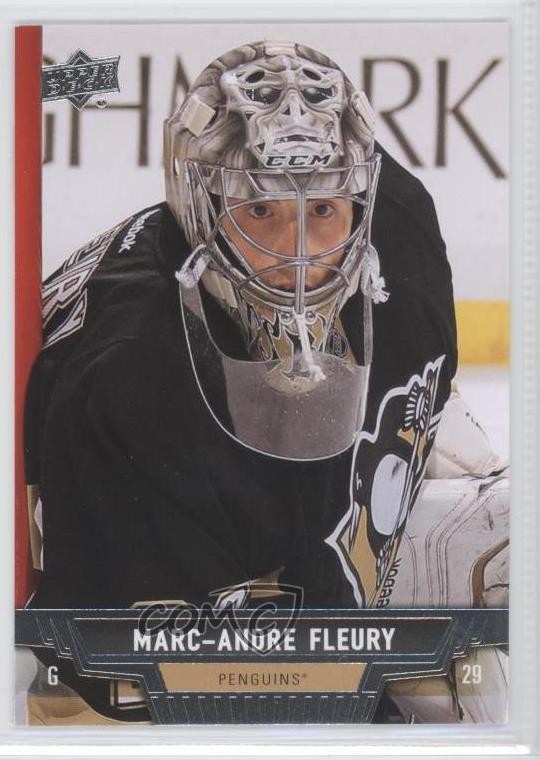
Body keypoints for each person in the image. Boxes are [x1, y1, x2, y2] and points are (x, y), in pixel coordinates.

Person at [22, 40, 505, 724]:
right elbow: (104, 699)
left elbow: (423, 364)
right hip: (137, 555)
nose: (296, 254)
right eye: (259, 212)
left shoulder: (398, 219)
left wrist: (408, 431)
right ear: (200, 208)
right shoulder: (136, 389)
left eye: (323, 210)